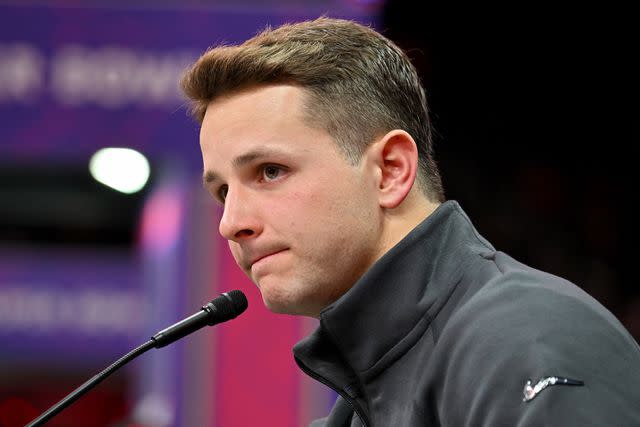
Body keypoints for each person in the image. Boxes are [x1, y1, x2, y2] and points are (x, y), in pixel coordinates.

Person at [180, 16, 640, 426]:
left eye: (270, 171)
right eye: (222, 192)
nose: (230, 223)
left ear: (391, 170)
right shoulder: (365, 396)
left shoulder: (528, 339)